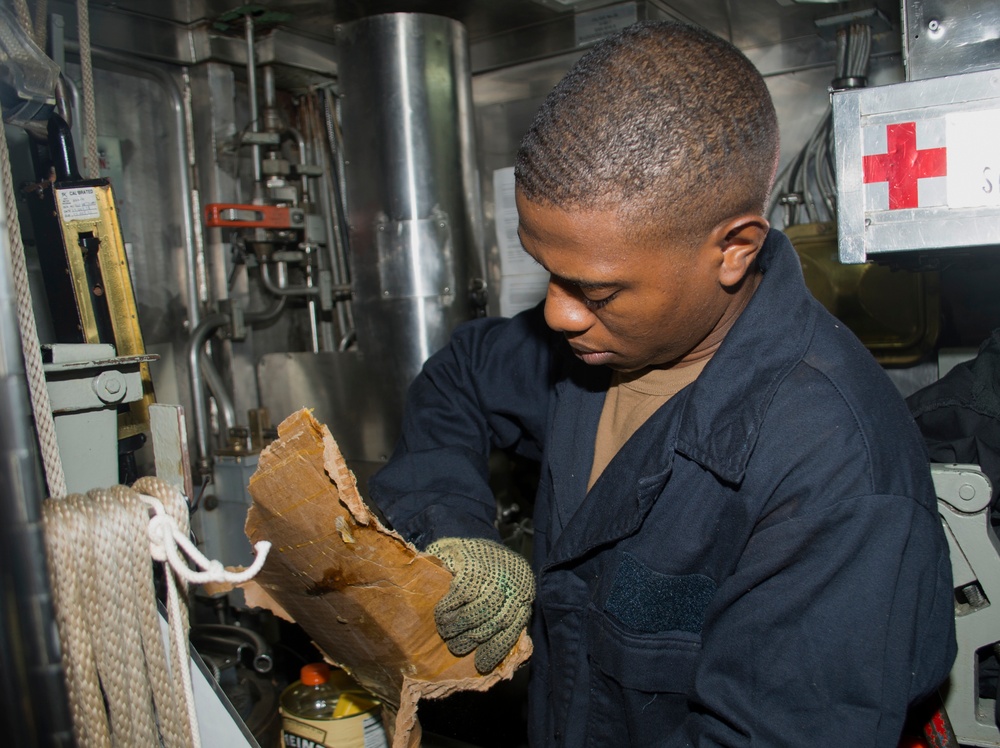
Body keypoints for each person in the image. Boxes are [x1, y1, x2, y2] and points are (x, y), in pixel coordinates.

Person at [369, 20, 956, 747]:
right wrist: (455, 532)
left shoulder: (835, 477)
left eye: (597, 290)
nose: (556, 311)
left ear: (734, 250)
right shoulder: (590, 349)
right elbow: (457, 378)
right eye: (547, 272)